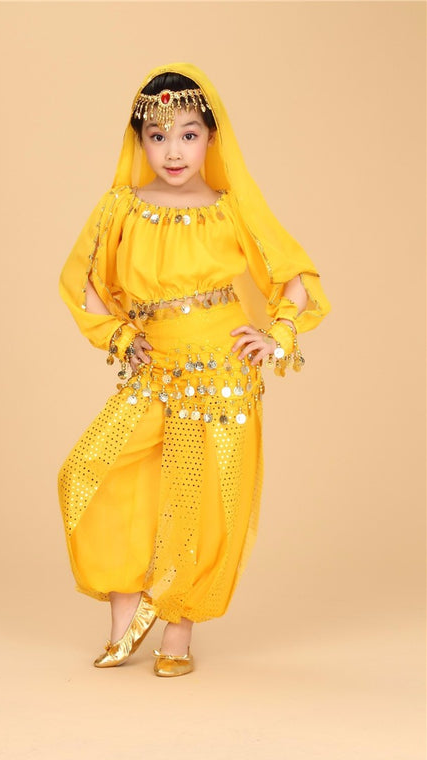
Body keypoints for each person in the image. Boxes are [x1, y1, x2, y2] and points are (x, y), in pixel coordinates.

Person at [57, 63, 331, 677]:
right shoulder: (120, 207)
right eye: (157, 137)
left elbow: (296, 277)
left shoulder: (232, 210)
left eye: (187, 134)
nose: (173, 151)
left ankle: (177, 632)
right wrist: (119, 334)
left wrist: (278, 335)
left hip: (221, 375)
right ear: (139, 141)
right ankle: (126, 618)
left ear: (211, 137)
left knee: (196, 498)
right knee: (92, 473)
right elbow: (82, 280)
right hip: (156, 370)